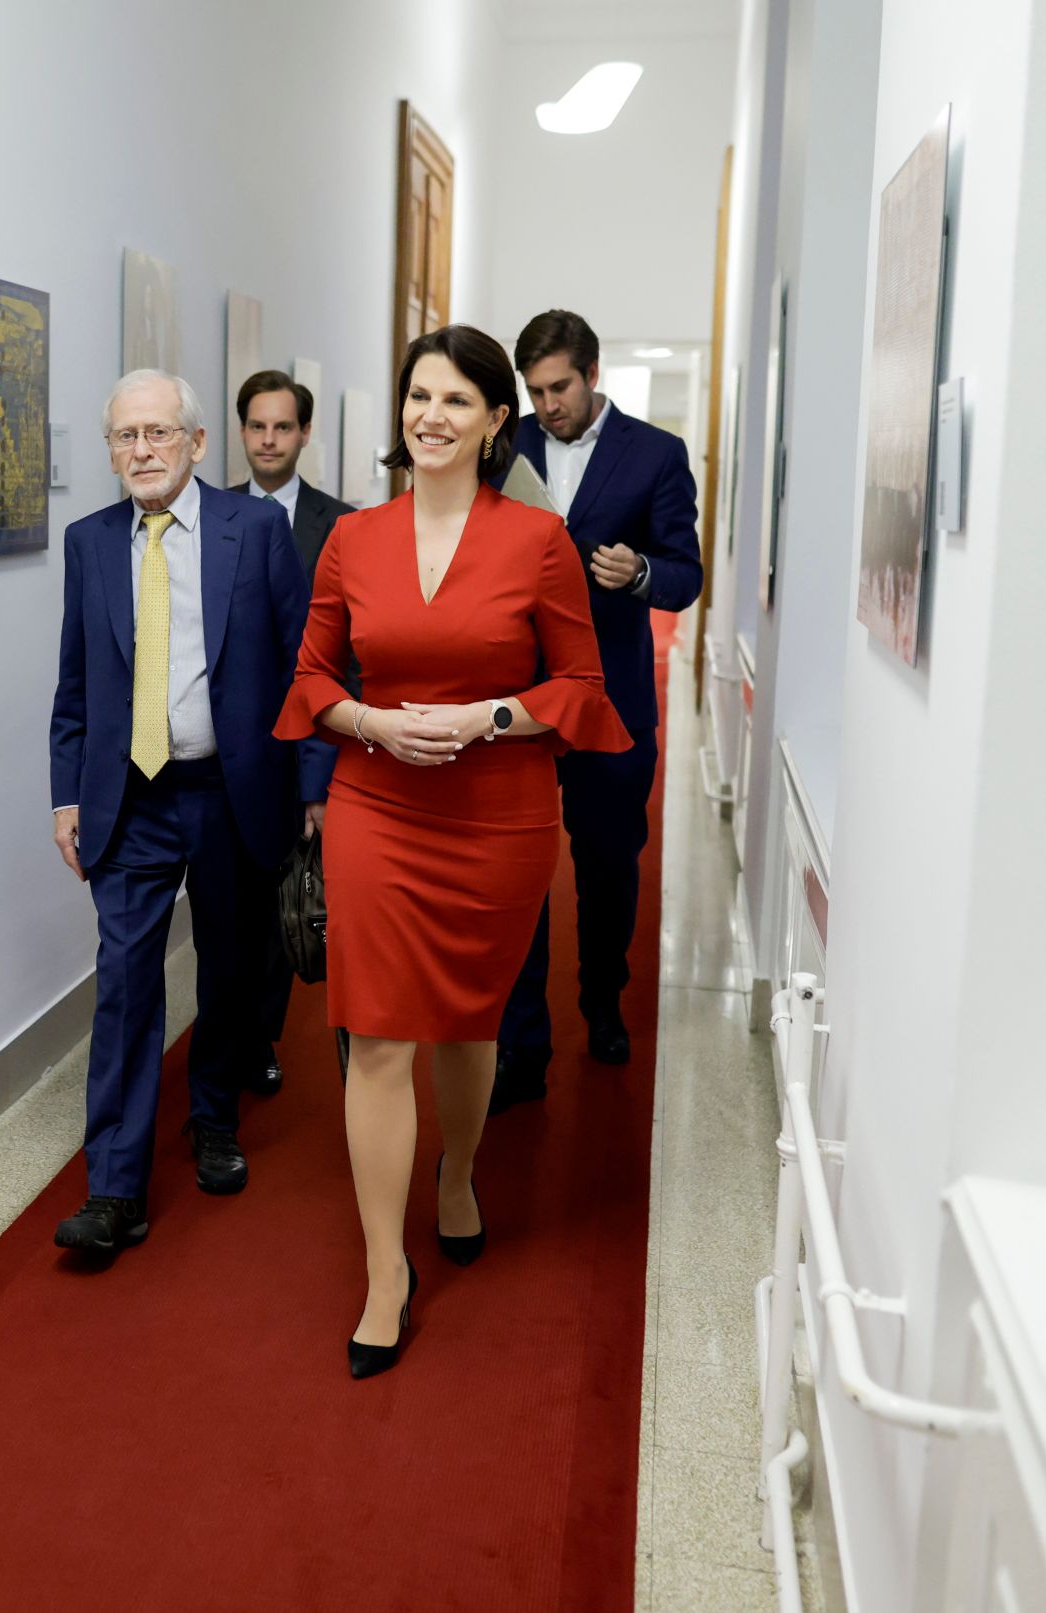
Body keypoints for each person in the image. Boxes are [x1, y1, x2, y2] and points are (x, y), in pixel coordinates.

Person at [274, 326, 629, 1376]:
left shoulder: (539, 541)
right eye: (418, 395)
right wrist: (372, 724)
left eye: (456, 400)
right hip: (376, 806)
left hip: (495, 814)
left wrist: (488, 716)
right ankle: (385, 1269)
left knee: (470, 1021)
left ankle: (459, 1171)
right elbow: (310, 677)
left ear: (493, 421)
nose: (431, 416)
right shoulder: (353, 540)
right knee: (378, 1035)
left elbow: (580, 686)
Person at [49, 369, 312, 1260]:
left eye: (159, 432)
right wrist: (66, 792)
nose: (143, 450)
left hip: (230, 791)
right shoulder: (89, 543)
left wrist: (312, 787)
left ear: (197, 443)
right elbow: (76, 681)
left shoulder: (256, 530)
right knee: (125, 982)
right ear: (110, 451)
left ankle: (212, 1117)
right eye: (126, 436)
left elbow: (300, 663)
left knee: (229, 969)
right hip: (130, 799)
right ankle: (114, 1187)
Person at [490, 311, 704, 1111]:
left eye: (560, 388)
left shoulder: (656, 453)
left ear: (592, 373)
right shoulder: (504, 447)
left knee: (608, 863)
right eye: (536, 391)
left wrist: (640, 571)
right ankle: (523, 1042)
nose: (548, 405)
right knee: (518, 870)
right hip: (517, 694)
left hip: (612, 697)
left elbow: (685, 574)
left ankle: (603, 999)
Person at [230, 369, 353, 1093]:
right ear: (241, 431)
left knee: (283, 902)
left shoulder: (342, 525)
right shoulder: (211, 513)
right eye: (257, 426)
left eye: (283, 427)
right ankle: (234, 1032)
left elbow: (346, 656)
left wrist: (322, 775)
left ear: (305, 433)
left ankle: (260, 1037)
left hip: (298, 744)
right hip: (228, 748)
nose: (269, 440)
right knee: (230, 908)